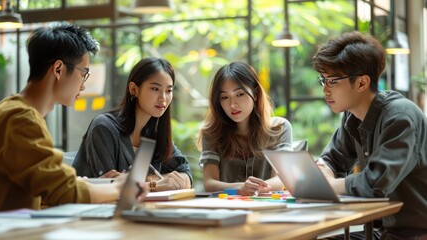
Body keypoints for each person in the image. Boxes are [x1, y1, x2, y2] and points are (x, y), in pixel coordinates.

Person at [0, 22, 147, 211]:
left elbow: (44, 187)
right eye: (83, 73)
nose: (83, 85)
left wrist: (87, 184)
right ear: (58, 69)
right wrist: (119, 188)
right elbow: (62, 192)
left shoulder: (13, 111)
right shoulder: (20, 119)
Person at [312, 31, 427, 239]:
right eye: (323, 80)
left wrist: (328, 186)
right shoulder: (353, 115)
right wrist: (324, 173)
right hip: (382, 232)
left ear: (362, 83)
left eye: (332, 81)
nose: (325, 91)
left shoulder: (401, 116)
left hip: (415, 234)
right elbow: (330, 159)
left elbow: (374, 184)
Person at [72, 57, 192, 192]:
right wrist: (157, 184)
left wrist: (142, 181)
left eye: (169, 91)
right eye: (155, 89)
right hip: (93, 210)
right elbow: (111, 187)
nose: (163, 98)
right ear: (134, 89)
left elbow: (185, 174)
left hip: (141, 209)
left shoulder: (155, 134)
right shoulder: (104, 127)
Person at [197, 62, 293, 196]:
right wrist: (240, 188)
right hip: (227, 210)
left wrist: (255, 189)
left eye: (240, 94)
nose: (232, 104)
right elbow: (210, 184)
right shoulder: (211, 133)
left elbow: (281, 180)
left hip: (268, 209)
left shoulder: (279, 128)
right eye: (225, 97)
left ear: (255, 94)